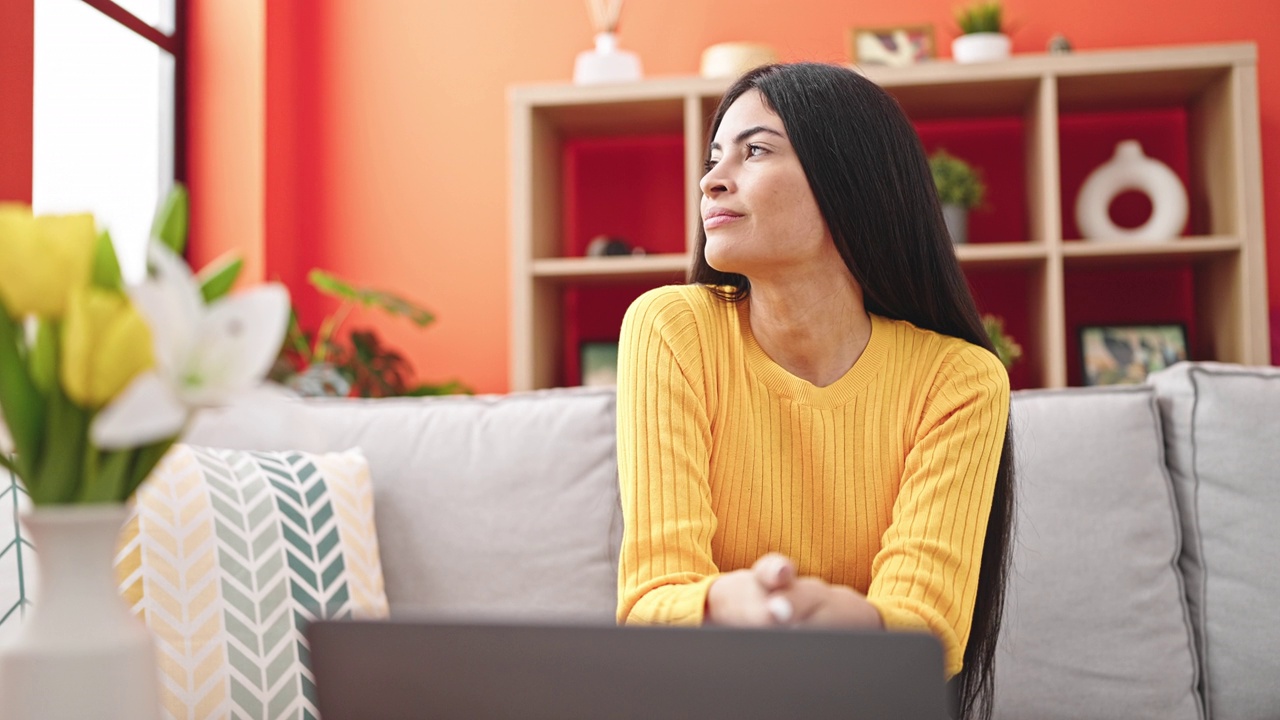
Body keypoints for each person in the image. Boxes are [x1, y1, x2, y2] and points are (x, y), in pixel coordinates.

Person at [614, 62, 1015, 720]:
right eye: (715, 156)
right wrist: (734, 604)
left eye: (757, 150)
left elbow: (928, 629)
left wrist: (834, 618)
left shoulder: (960, 381)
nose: (711, 179)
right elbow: (652, 600)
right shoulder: (670, 330)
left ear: (849, 182)